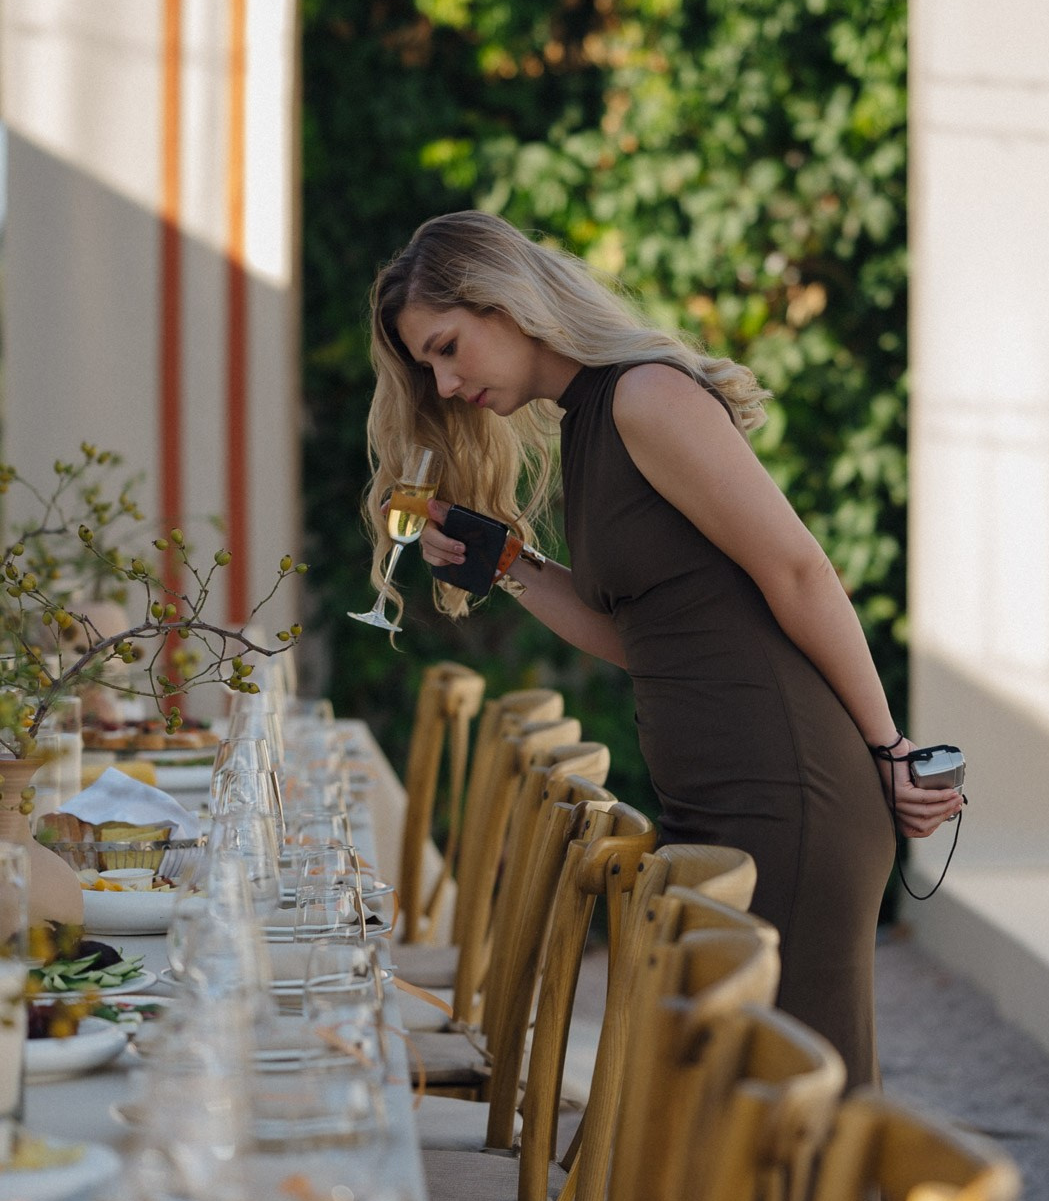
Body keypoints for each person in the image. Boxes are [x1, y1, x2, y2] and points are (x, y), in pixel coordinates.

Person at [365, 211, 962, 1091]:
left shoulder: (643, 397)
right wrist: (510, 565)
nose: (445, 384)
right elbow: (647, 640)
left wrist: (889, 748)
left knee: (788, 1113)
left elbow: (799, 570)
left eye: (448, 349)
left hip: (786, 791)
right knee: (728, 1111)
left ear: (505, 304)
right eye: (429, 367)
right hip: (719, 791)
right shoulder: (589, 419)